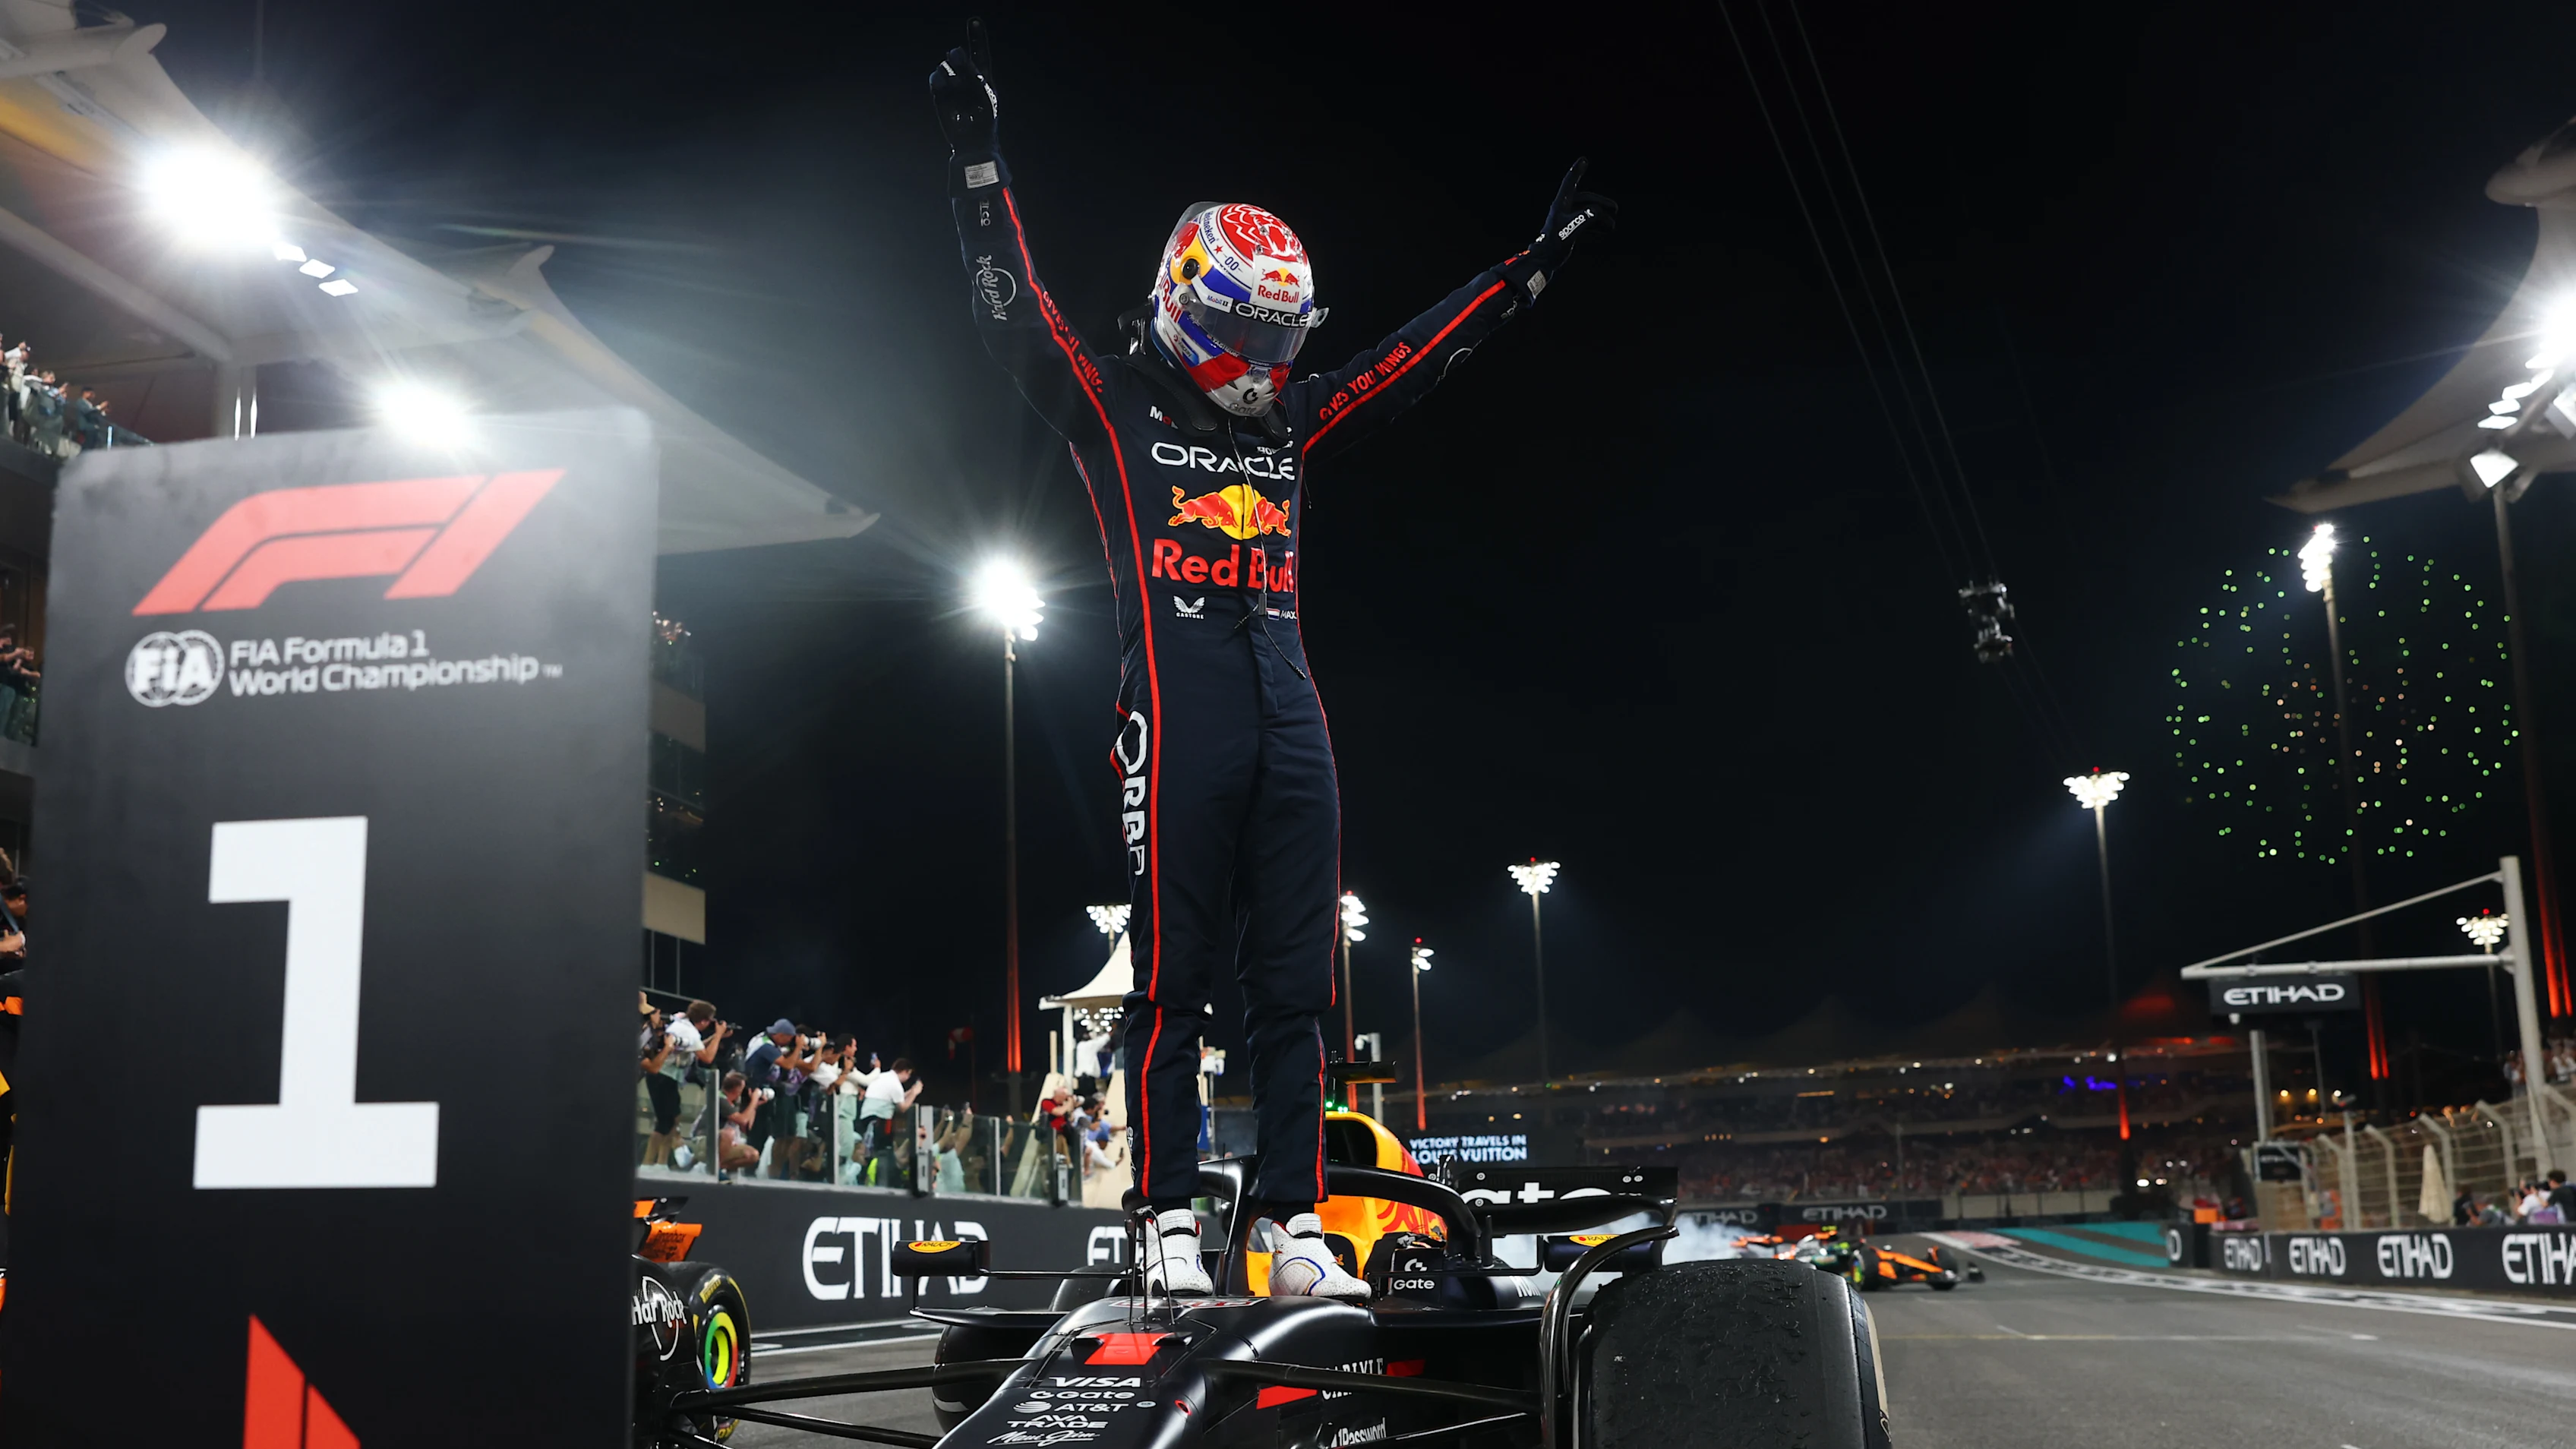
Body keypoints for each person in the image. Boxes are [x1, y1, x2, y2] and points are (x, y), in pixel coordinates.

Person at [930, 21, 1610, 1303]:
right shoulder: (1112, 403)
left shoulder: (1294, 414)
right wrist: (978, 162)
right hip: (1174, 716)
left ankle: (1294, 1225)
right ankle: (1163, 1223)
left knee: (1298, 987)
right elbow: (1017, 319)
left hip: (1292, 712)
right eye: (1256, 336)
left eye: (1288, 340)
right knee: (1173, 982)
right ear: (1191, 308)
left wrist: (1521, 277)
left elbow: (1408, 364)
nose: (1276, 367)